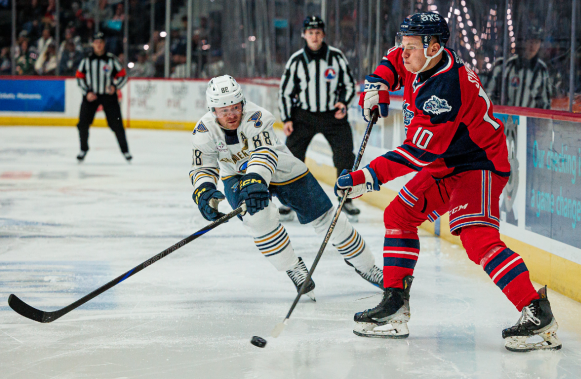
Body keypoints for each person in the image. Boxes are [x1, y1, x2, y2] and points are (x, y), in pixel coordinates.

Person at [334, 12, 561, 352]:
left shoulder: (444, 90)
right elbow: (392, 61)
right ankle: (395, 305)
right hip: (446, 162)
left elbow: (417, 154)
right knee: (399, 216)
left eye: (411, 46)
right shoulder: (422, 58)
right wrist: (378, 84)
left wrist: (368, 177)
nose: (404, 52)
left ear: (434, 47)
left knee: (477, 240)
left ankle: (536, 312)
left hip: (478, 164)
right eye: (404, 44)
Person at [190, 75, 383, 298]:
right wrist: (204, 192)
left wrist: (255, 179)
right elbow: (202, 167)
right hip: (236, 177)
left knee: (328, 218)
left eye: (235, 107)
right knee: (258, 221)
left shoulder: (257, 117)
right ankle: (294, 268)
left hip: (282, 169)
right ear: (213, 110)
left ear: (242, 103)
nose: (231, 114)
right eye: (224, 110)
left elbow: (263, 154)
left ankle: (368, 267)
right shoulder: (203, 131)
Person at [278, 16, 359, 221]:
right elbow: (286, 92)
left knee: (344, 155)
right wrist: (287, 118)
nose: (314, 37)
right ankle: (289, 202)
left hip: (333, 115)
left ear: (323, 35)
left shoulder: (336, 57)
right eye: (310, 32)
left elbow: (349, 84)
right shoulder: (296, 60)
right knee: (292, 158)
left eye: (318, 32)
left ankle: (346, 199)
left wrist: (343, 102)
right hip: (303, 115)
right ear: (304, 35)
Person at [75, 32, 131, 162]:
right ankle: (83, 149)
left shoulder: (111, 59)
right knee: (82, 123)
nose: (98, 45)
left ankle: (125, 151)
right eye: (96, 42)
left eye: (101, 42)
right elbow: (79, 78)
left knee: (117, 124)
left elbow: (123, 76)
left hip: (108, 97)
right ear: (93, 44)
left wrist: (115, 87)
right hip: (91, 96)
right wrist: (86, 92)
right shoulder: (86, 61)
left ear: (104, 44)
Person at [485, 25, 552, 109]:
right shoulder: (507, 65)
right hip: (504, 119)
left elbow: (545, 103)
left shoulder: (541, 70)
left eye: (536, 42)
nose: (533, 46)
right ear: (524, 42)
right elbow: (489, 94)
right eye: (530, 41)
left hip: (529, 121)